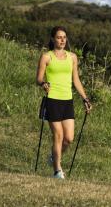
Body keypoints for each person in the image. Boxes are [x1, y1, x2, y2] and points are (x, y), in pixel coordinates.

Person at [36, 26, 92, 179]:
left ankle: (54, 157)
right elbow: (39, 78)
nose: (62, 40)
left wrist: (85, 98)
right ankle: (57, 171)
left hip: (67, 101)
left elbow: (76, 80)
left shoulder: (72, 57)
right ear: (53, 39)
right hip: (52, 100)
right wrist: (43, 84)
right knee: (58, 135)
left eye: (64, 37)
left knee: (69, 138)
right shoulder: (46, 57)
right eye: (59, 37)